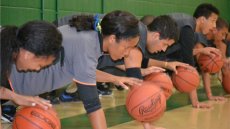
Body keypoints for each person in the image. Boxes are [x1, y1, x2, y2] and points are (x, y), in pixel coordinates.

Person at [8, 10, 143, 129]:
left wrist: (115, 79)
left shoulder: (88, 36)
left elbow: (81, 71)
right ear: (113, 39)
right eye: (127, 47)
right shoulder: (87, 46)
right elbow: (92, 105)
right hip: (9, 82)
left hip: (11, 85)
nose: (127, 53)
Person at [0, 21, 62, 122]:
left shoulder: (6, 47)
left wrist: (16, 97)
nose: (37, 70)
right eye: (40, 65)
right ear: (28, 54)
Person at [195, 17, 229, 98]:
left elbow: (224, 66)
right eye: (223, 34)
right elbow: (204, 69)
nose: (224, 37)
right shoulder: (200, 39)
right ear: (214, 30)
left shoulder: (220, 42)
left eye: (225, 35)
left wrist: (225, 63)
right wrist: (210, 95)